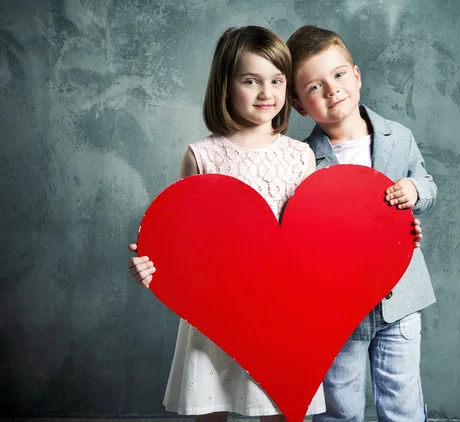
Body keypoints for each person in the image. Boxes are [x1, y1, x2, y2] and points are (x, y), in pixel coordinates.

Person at [128, 26, 327, 422]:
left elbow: (307, 236)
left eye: (276, 81)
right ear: (225, 84)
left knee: (279, 406)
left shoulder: (300, 156)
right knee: (211, 402)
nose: (266, 93)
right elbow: (179, 239)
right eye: (251, 81)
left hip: (277, 307)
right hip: (215, 306)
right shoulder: (201, 156)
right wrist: (151, 265)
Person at [285, 25, 438, 422]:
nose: (332, 90)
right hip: (336, 310)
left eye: (338, 75)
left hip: (399, 302)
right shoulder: (302, 161)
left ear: (356, 75)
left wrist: (413, 193)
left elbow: (428, 185)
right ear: (300, 106)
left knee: (401, 401)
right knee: (339, 405)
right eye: (314, 87)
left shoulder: (398, 137)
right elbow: (300, 232)